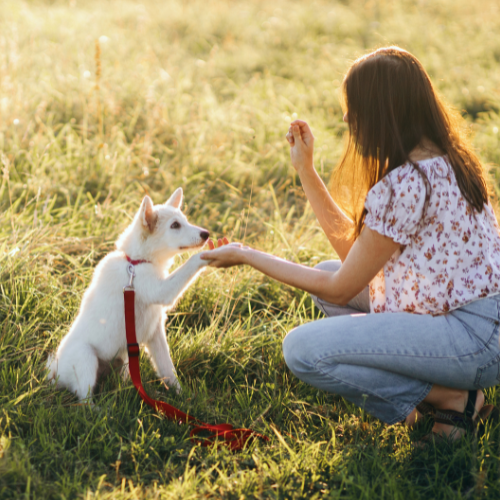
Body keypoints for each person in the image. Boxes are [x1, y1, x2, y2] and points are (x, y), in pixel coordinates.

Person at [201, 46, 500, 441]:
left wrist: (246, 254)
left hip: (471, 340)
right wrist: (306, 171)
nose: (346, 118)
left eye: (353, 108)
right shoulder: (447, 160)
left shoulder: (409, 183)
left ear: (381, 112)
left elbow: (342, 287)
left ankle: (450, 398)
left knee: (302, 351)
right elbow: (353, 263)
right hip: (478, 322)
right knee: (326, 272)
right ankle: (453, 396)